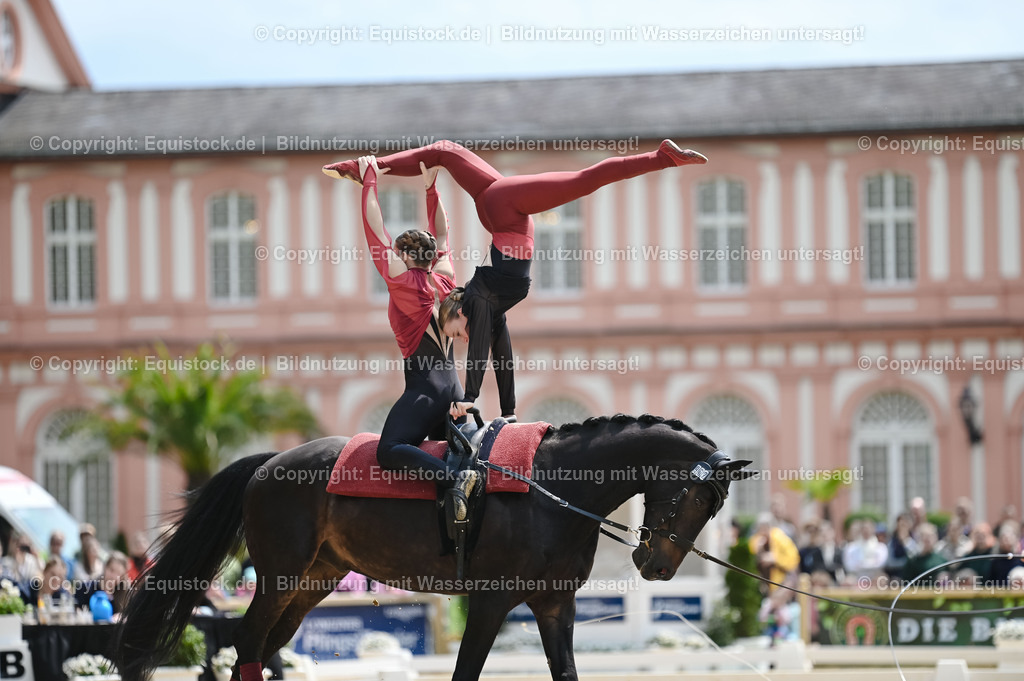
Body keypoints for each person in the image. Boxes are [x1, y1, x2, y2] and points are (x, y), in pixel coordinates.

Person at [325, 139, 707, 420]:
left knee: (584, 179)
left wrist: (471, 397)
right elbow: (502, 357)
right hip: (498, 214)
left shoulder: (471, 299)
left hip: (504, 212)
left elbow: (481, 356)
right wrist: (508, 412)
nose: (462, 337)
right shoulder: (452, 286)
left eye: (460, 332)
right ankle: (367, 168)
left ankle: (661, 158)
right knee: (442, 152)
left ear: (460, 312)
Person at [349, 156, 477, 521]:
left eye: (398, 253)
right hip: (453, 389)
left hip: (426, 391)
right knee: (434, 453)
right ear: (431, 255)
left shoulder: (406, 283)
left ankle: (457, 480)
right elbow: (444, 233)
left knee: (389, 450)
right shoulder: (445, 280)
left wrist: (369, 181)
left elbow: (376, 232)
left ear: (404, 256)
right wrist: (431, 186)